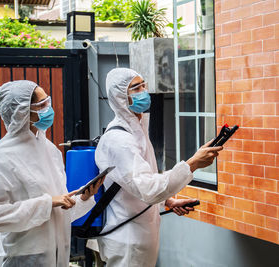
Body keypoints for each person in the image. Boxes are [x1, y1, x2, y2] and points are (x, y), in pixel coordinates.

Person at [95, 68, 223, 266]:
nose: (144, 91)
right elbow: (147, 188)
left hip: (140, 235)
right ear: (121, 98)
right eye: (136, 88)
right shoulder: (119, 140)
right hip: (127, 240)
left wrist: (167, 202)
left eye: (144, 85)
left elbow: (135, 186)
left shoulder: (136, 130)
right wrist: (192, 164)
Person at [0, 80, 104, 267]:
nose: (48, 108)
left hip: (58, 253)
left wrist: (82, 199)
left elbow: (58, 211)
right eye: (42, 105)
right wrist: (48, 202)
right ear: (22, 112)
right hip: (25, 257)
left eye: (48, 101)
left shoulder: (49, 149)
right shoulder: (3, 155)